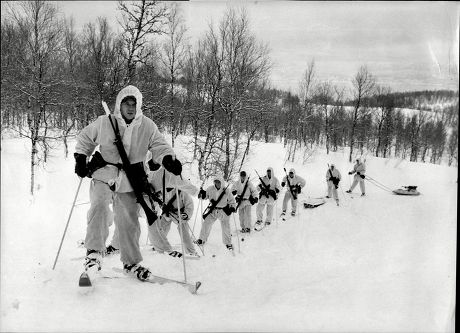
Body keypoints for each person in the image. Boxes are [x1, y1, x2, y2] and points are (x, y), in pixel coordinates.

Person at [74, 85, 182, 282]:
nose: (130, 108)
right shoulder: (105, 122)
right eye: (126, 103)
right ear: (119, 105)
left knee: (129, 220)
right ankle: (93, 255)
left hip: (131, 177)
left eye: (134, 104)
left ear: (138, 105)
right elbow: (85, 138)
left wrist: (167, 158)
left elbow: (159, 145)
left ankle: (131, 262)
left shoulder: (147, 125)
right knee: (99, 206)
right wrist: (81, 158)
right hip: (104, 172)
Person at [147, 162, 198, 258]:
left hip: (179, 214)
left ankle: (191, 251)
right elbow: (159, 200)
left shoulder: (182, 190)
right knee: (160, 228)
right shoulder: (161, 189)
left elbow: (189, 204)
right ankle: (158, 245)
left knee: (184, 231)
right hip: (167, 213)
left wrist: (186, 215)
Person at [195, 176, 237, 251]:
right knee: (206, 224)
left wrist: (232, 207)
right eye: (216, 182)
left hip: (223, 211)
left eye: (218, 182)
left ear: (221, 182)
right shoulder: (210, 189)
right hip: (213, 210)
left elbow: (232, 201)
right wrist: (202, 194)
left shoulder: (227, 191)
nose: (217, 183)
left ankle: (228, 243)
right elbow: (205, 197)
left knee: (226, 228)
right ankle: (202, 239)